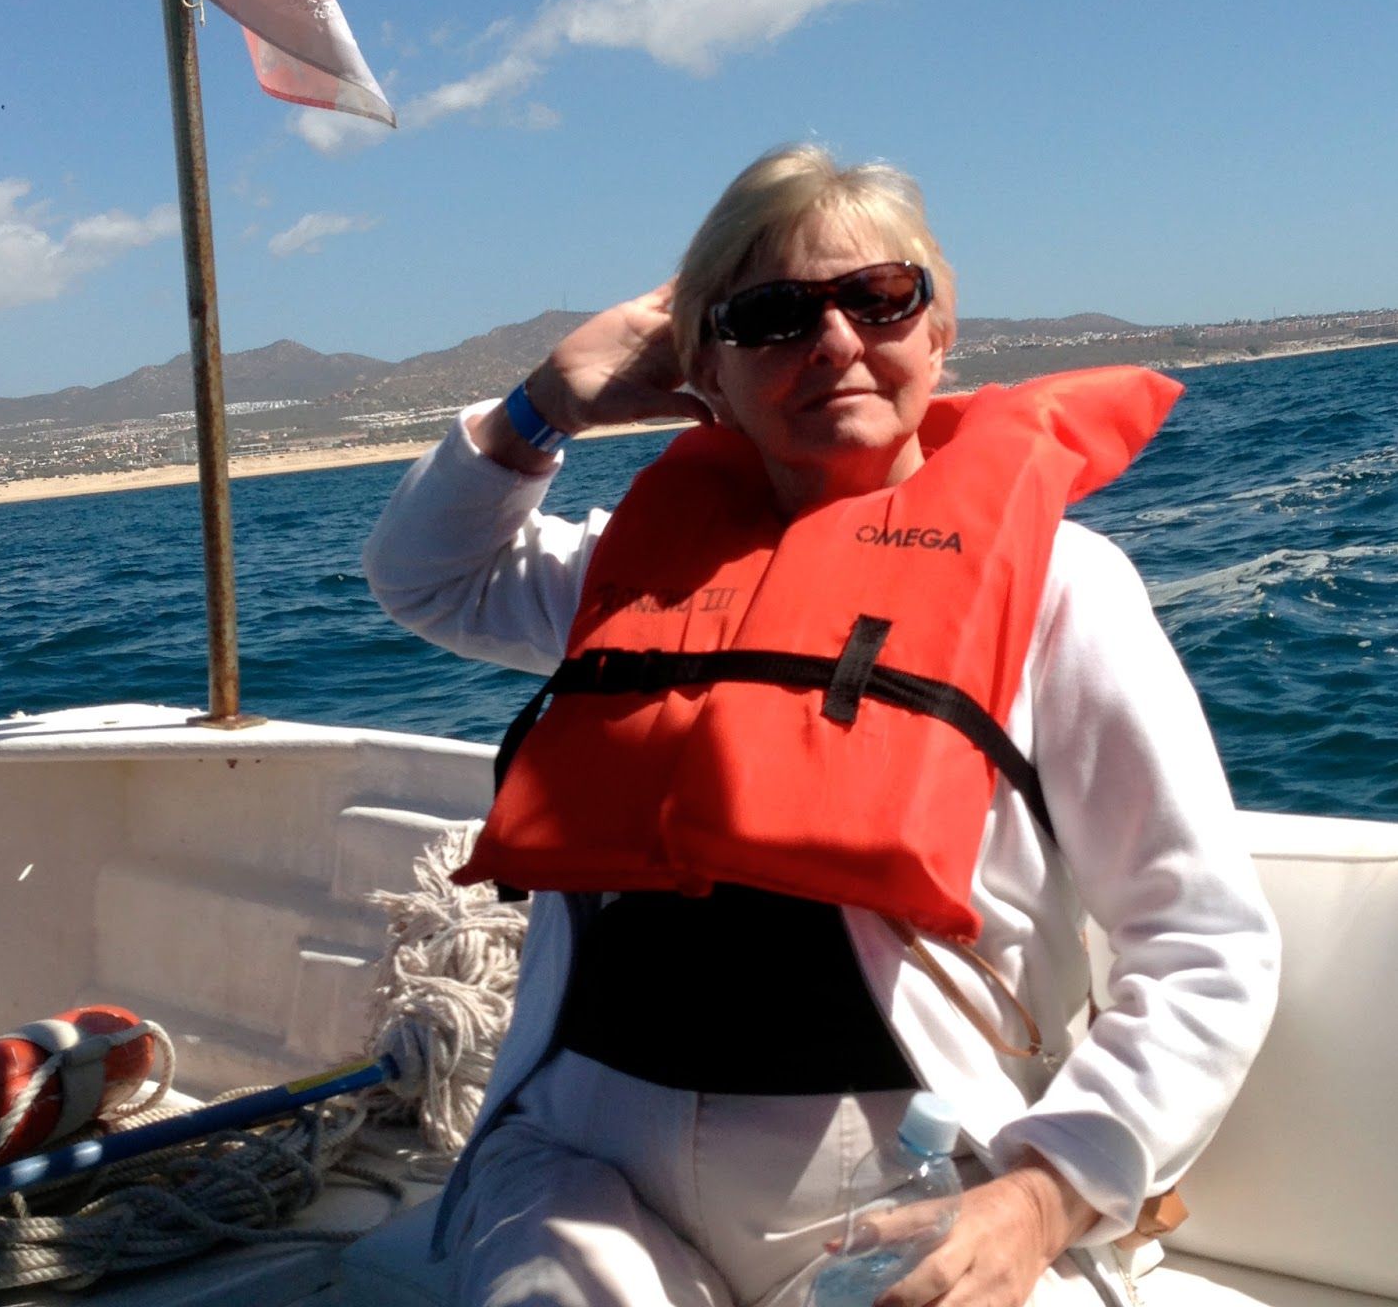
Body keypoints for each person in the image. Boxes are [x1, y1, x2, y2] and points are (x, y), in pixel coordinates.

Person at [362, 145, 1280, 1307]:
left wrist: (1045, 1196)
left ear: (940, 331)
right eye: (772, 315)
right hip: (590, 1174)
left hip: (909, 1181)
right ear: (708, 368)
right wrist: (545, 402)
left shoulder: (1058, 585)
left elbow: (1203, 943)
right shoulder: (623, 571)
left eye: (880, 297)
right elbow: (422, 576)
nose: (835, 340)